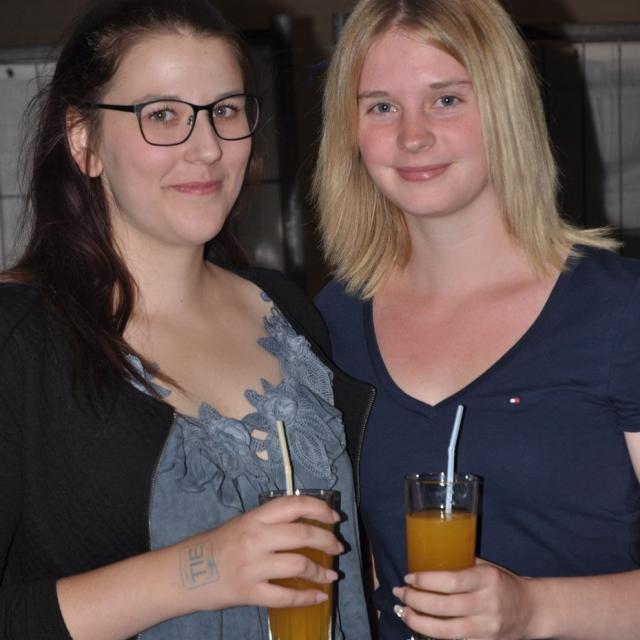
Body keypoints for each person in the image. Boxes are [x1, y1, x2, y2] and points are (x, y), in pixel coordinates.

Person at [0, 0, 373, 638]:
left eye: (225, 111)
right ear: (85, 141)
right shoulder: (18, 338)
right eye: (162, 115)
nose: (207, 149)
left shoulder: (287, 309)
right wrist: (204, 569)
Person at [313, 0, 640, 638]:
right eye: (381, 107)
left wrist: (533, 611)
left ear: (505, 108)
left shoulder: (621, 310)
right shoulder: (331, 322)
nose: (413, 136)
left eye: (446, 100)